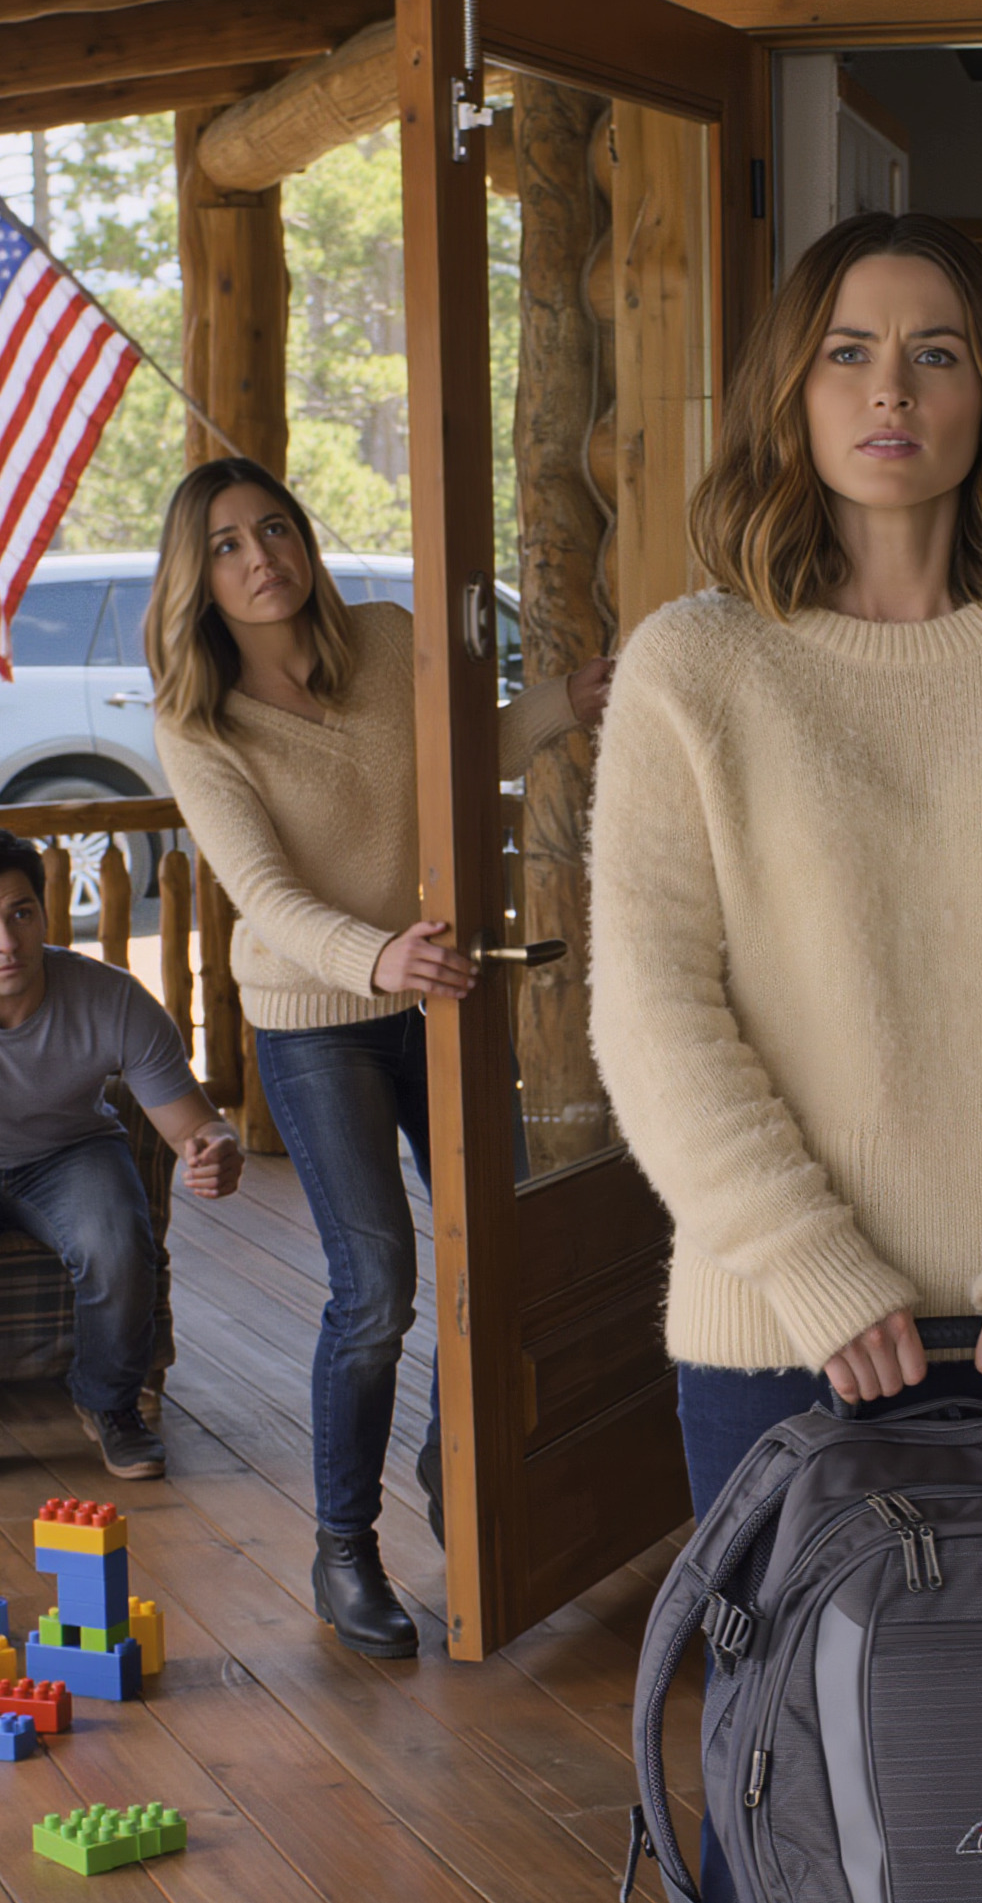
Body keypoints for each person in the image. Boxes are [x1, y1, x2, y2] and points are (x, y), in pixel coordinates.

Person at [587, 212, 982, 1903]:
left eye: (939, 350)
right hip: (781, 1342)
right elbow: (652, 1007)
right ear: (788, 395)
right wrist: (811, 1260)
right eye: (851, 352)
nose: (895, 388)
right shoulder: (694, 666)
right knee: (801, 1795)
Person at [147, 458, 610, 1660]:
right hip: (315, 1014)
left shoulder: (388, 638)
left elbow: (469, 751)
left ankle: (455, 1461)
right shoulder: (200, 724)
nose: (263, 559)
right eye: (231, 545)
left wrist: (575, 693)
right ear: (198, 577)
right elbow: (262, 895)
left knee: (494, 1245)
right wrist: (375, 956)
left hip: (433, 986)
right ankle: (343, 1547)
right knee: (379, 1290)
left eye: (276, 529)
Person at [0, 829, 243, 1479]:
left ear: (45, 914)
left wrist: (218, 1149)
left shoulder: (110, 996)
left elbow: (198, 1125)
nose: (6, 942)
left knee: (117, 1238)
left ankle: (108, 1403)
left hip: (68, 1150)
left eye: (19, 913)